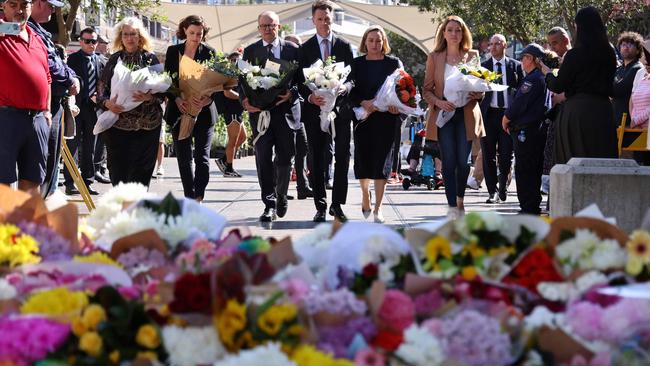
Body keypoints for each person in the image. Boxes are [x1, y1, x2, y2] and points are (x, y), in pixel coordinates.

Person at [422, 15, 485, 217]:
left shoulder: (472, 55)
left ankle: (460, 200)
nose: (454, 34)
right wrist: (439, 102)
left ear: (463, 33)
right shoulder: (434, 57)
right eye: (450, 30)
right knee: (448, 161)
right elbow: (427, 90)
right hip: (444, 116)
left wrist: (478, 93)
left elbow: (481, 87)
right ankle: (452, 206)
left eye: (458, 30)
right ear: (444, 33)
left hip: (466, 114)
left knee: (463, 162)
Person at [241, 10, 300, 222]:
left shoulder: (293, 50)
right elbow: (242, 81)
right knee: (263, 159)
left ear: (279, 27)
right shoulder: (250, 51)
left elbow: (303, 81)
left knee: (285, 157)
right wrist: (244, 101)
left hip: (285, 113)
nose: (268, 29)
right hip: (261, 115)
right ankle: (269, 203)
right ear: (258, 28)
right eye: (264, 26)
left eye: (272, 25)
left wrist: (292, 93)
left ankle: (282, 193)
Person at [298, 0, 354, 222]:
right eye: (320, 19)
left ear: (333, 19)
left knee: (342, 156)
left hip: (340, 113)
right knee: (317, 159)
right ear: (313, 20)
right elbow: (299, 81)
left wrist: (344, 87)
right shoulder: (305, 49)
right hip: (315, 112)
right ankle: (320, 205)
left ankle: (337, 205)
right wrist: (311, 97)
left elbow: (353, 77)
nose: (324, 23)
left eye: (327, 19)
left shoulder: (344, 46)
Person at [543, 6, 618, 165]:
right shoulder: (609, 53)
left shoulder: (575, 54)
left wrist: (547, 74)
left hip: (577, 115)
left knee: (575, 164)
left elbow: (558, 85)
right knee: (602, 163)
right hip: (603, 112)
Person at [97, 16, 163, 187]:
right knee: (119, 172)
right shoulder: (114, 59)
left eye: (133, 34)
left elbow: (165, 92)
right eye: (125, 34)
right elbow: (101, 90)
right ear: (121, 37)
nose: (129, 38)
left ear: (140, 36)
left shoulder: (150, 59)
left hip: (147, 126)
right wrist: (107, 103)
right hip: (119, 126)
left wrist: (150, 97)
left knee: (141, 174)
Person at [349, 25, 403, 224]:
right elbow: (349, 91)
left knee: (382, 163)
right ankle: (365, 194)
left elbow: (403, 89)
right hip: (364, 117)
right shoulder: (356, 64)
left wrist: (398, 105)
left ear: (384, 42)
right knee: (363, 162)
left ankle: (379, 208)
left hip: (386, 119)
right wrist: (363, 102)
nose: (374, 44)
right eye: (371, 40)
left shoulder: (393, 63)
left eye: (378, 40)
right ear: (365, 42)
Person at [28, 0, 80, 197]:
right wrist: (70, 79)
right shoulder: (29, 30)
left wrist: (71, 77)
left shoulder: (38, 29)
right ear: (39, 3)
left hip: (54, 103)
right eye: (51, 5)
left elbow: (57, 60)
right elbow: (50, 63)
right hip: (43, 106)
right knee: (41, 166)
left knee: (49, 164)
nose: (53, 9)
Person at [164, 15, 218, 202]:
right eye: (192, 33)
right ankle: (189, 198)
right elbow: (167, 81)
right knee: (184, 158)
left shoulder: (210, 53)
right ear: (184, 31)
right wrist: (178, 100)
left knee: (202, 157)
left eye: (199, 33)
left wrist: (205, 100)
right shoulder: (173, 51)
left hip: (203, 113)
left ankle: (199, 196)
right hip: (180, 111)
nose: (196, 37)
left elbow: (217, 83)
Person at [0, 0, 51, 193]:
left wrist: (46, 111)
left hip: (37, 119)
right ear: (3, 6)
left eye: (24, 4)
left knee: (32, 182)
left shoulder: (38, 39)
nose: (19, 10)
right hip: (6, 118)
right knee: (3, 184)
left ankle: (25, 224)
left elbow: (47, 78)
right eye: (13, 4)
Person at [502, 44, 549, 215]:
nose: (521, 62)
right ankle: (532, 205)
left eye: (523, 58)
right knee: (533, 169)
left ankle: (528, 207)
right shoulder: (540, 77)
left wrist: (505, 118)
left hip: (526, 131)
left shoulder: (533, 79)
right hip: (534, 130)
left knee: (525, 170)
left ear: (530, 59)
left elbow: (519, 104)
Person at [479, 33, 523, 204]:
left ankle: (503, 184)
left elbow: (521, 92)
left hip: (508, 116)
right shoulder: (483, 67)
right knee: (488, 154)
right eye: (492, 44)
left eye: (498, 43)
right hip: (489, 115)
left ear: (505, 46)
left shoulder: (516, 66)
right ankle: (492, 191)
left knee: (506, 155)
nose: (494, 47)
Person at [63, 27, 104, 196]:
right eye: (87, 41)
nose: (91, 44)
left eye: (94, 41)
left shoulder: (102, 61)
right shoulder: (72, 59)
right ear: (80, 41)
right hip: (75, 108)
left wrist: (100, 97)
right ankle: (70, 183)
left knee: (90, 147)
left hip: (93, 109)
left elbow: (105, 84)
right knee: (72, 146)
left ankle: (88, 181)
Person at [541, 27, 572, 195]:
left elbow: (567, 88)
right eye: (550, 44)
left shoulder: (571, 58)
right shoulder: (563, 59)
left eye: (555, 43)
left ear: (566, 41)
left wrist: (560, 96)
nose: (552, 48)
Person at [214, 51, 247, 178]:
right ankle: (229, 168)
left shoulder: (239, 73)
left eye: (238, 59)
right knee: (233, 140)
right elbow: (227, 93)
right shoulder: (227, 74)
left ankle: (223, 159)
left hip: (237, 110)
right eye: (233, 59)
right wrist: (243, 99)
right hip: (231, 110)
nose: (235, 62)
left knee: (243, 137)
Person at [613, 32, 644, 127]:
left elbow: (618, 89)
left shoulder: (637, 68)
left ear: (638, 50)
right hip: (615, 118)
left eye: (630, 44)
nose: (626, 47)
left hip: (628, 121)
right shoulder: (618, 69)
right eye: (623, 44)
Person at [629, 41, 650, 165]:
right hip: (639, 132)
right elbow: (633, 99)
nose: (646, 63)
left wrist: (636, 120)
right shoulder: (643, 78)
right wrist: (634, 120)